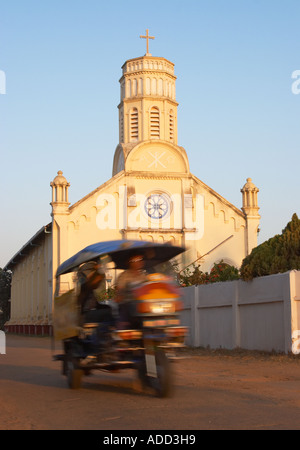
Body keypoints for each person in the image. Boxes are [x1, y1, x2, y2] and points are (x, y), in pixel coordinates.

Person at [115, 254, 147, 326]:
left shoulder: (144, 276)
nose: (138, 262)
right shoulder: (124, 276)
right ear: (129, 263)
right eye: (135, 261)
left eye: (140, 260)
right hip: (128, 304)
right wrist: (119, 295)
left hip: (142, 305)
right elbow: (119, 289)